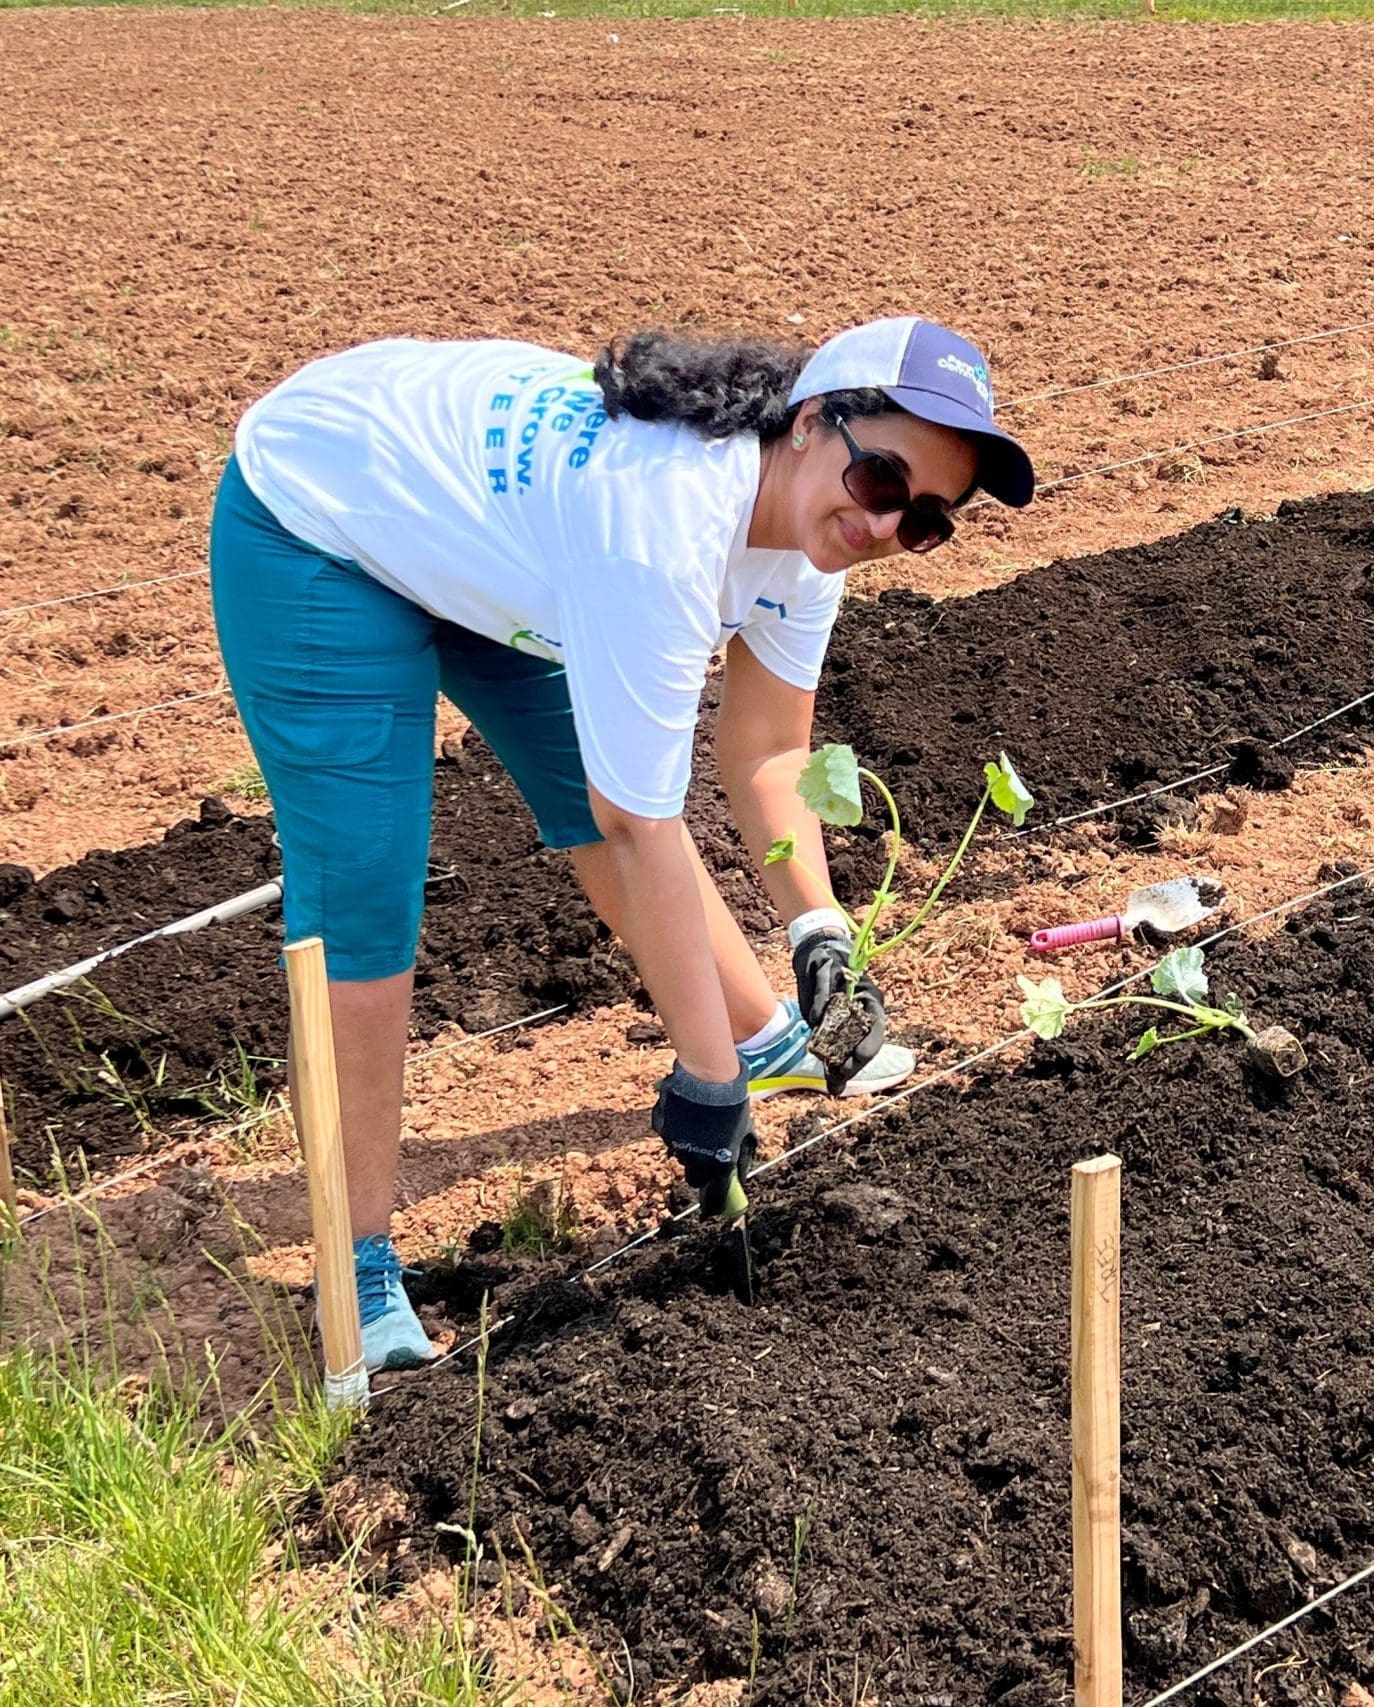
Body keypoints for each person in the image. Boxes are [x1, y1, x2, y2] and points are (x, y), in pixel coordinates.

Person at [210, 316, 1034, 1369]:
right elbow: (636, 824)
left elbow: (768, 754)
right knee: (367, 884)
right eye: (880, 480)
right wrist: (702, 1087)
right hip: (324, 520)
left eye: (921, 521)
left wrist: (821, 935)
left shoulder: (811, 540)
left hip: (503, 550)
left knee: (594, 776)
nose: (883, 525)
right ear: (811, 419)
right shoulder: (664, 523)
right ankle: (357, 1262)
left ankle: (764, 1038)